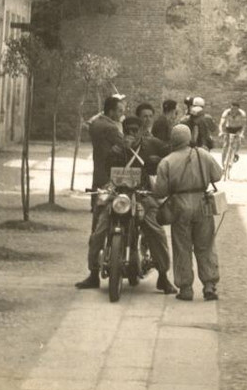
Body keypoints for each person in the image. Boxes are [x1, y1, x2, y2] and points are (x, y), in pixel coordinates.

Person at [75, 114, 176, 294]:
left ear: (141, 131)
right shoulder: (117, 149)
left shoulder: (152, 145)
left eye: (134, 130)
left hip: (143, 194)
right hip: (118, 195)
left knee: (155, 230)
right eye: (127, 130)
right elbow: (107, 169)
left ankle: (163, 276)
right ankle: (93, 273)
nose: (131, 133)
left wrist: (159, 164)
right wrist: (118, 152)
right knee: (99, 230)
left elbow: (171, 152)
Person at [153, 124, 223, 301]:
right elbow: (217, 175)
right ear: (189, 137)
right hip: (202, 203)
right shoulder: (203, 154)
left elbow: (160, 191)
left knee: (182, 246)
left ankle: (186, 288)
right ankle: (209, 285)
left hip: (180, 205)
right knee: (205, 245)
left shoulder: (167, 161)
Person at [218, 98, 247, 168]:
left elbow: (244, 125)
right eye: (232, 109)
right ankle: (223, 163)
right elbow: (221, 123)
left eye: (235, 109)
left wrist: (242, 133)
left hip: (238, 128)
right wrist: (221, 131)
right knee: (226, 145)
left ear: (238, 109)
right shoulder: (226, 112)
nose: (233, 110)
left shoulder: (242, 114)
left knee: (238, 141)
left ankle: (235, 153)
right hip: (229, 128)